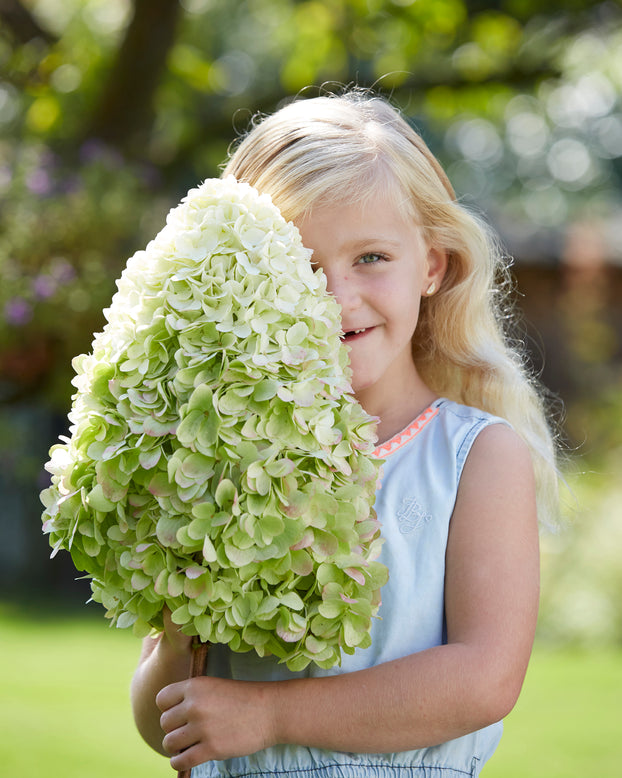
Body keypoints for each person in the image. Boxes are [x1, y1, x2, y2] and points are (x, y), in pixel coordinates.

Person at [130, 89, 559, 778]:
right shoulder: (217, 462)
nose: (335, 297)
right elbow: (164, 719)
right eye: (297, 267)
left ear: (431, 266)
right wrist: (180, 635)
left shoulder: (475, 458)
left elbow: (484, 680)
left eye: (370, 259)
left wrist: (270, 716)